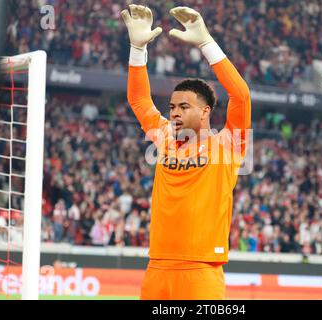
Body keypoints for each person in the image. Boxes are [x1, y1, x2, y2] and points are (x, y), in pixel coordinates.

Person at [121, 5, 251, 300]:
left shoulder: (228, 145)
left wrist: (206, 43)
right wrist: (137, 48)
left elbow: (240, 95)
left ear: (205, 112)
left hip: (202, 271)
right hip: (157, 268)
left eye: (184, 107)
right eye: (172, 108)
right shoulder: (164, 136)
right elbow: (139, 100)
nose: (175, 113)